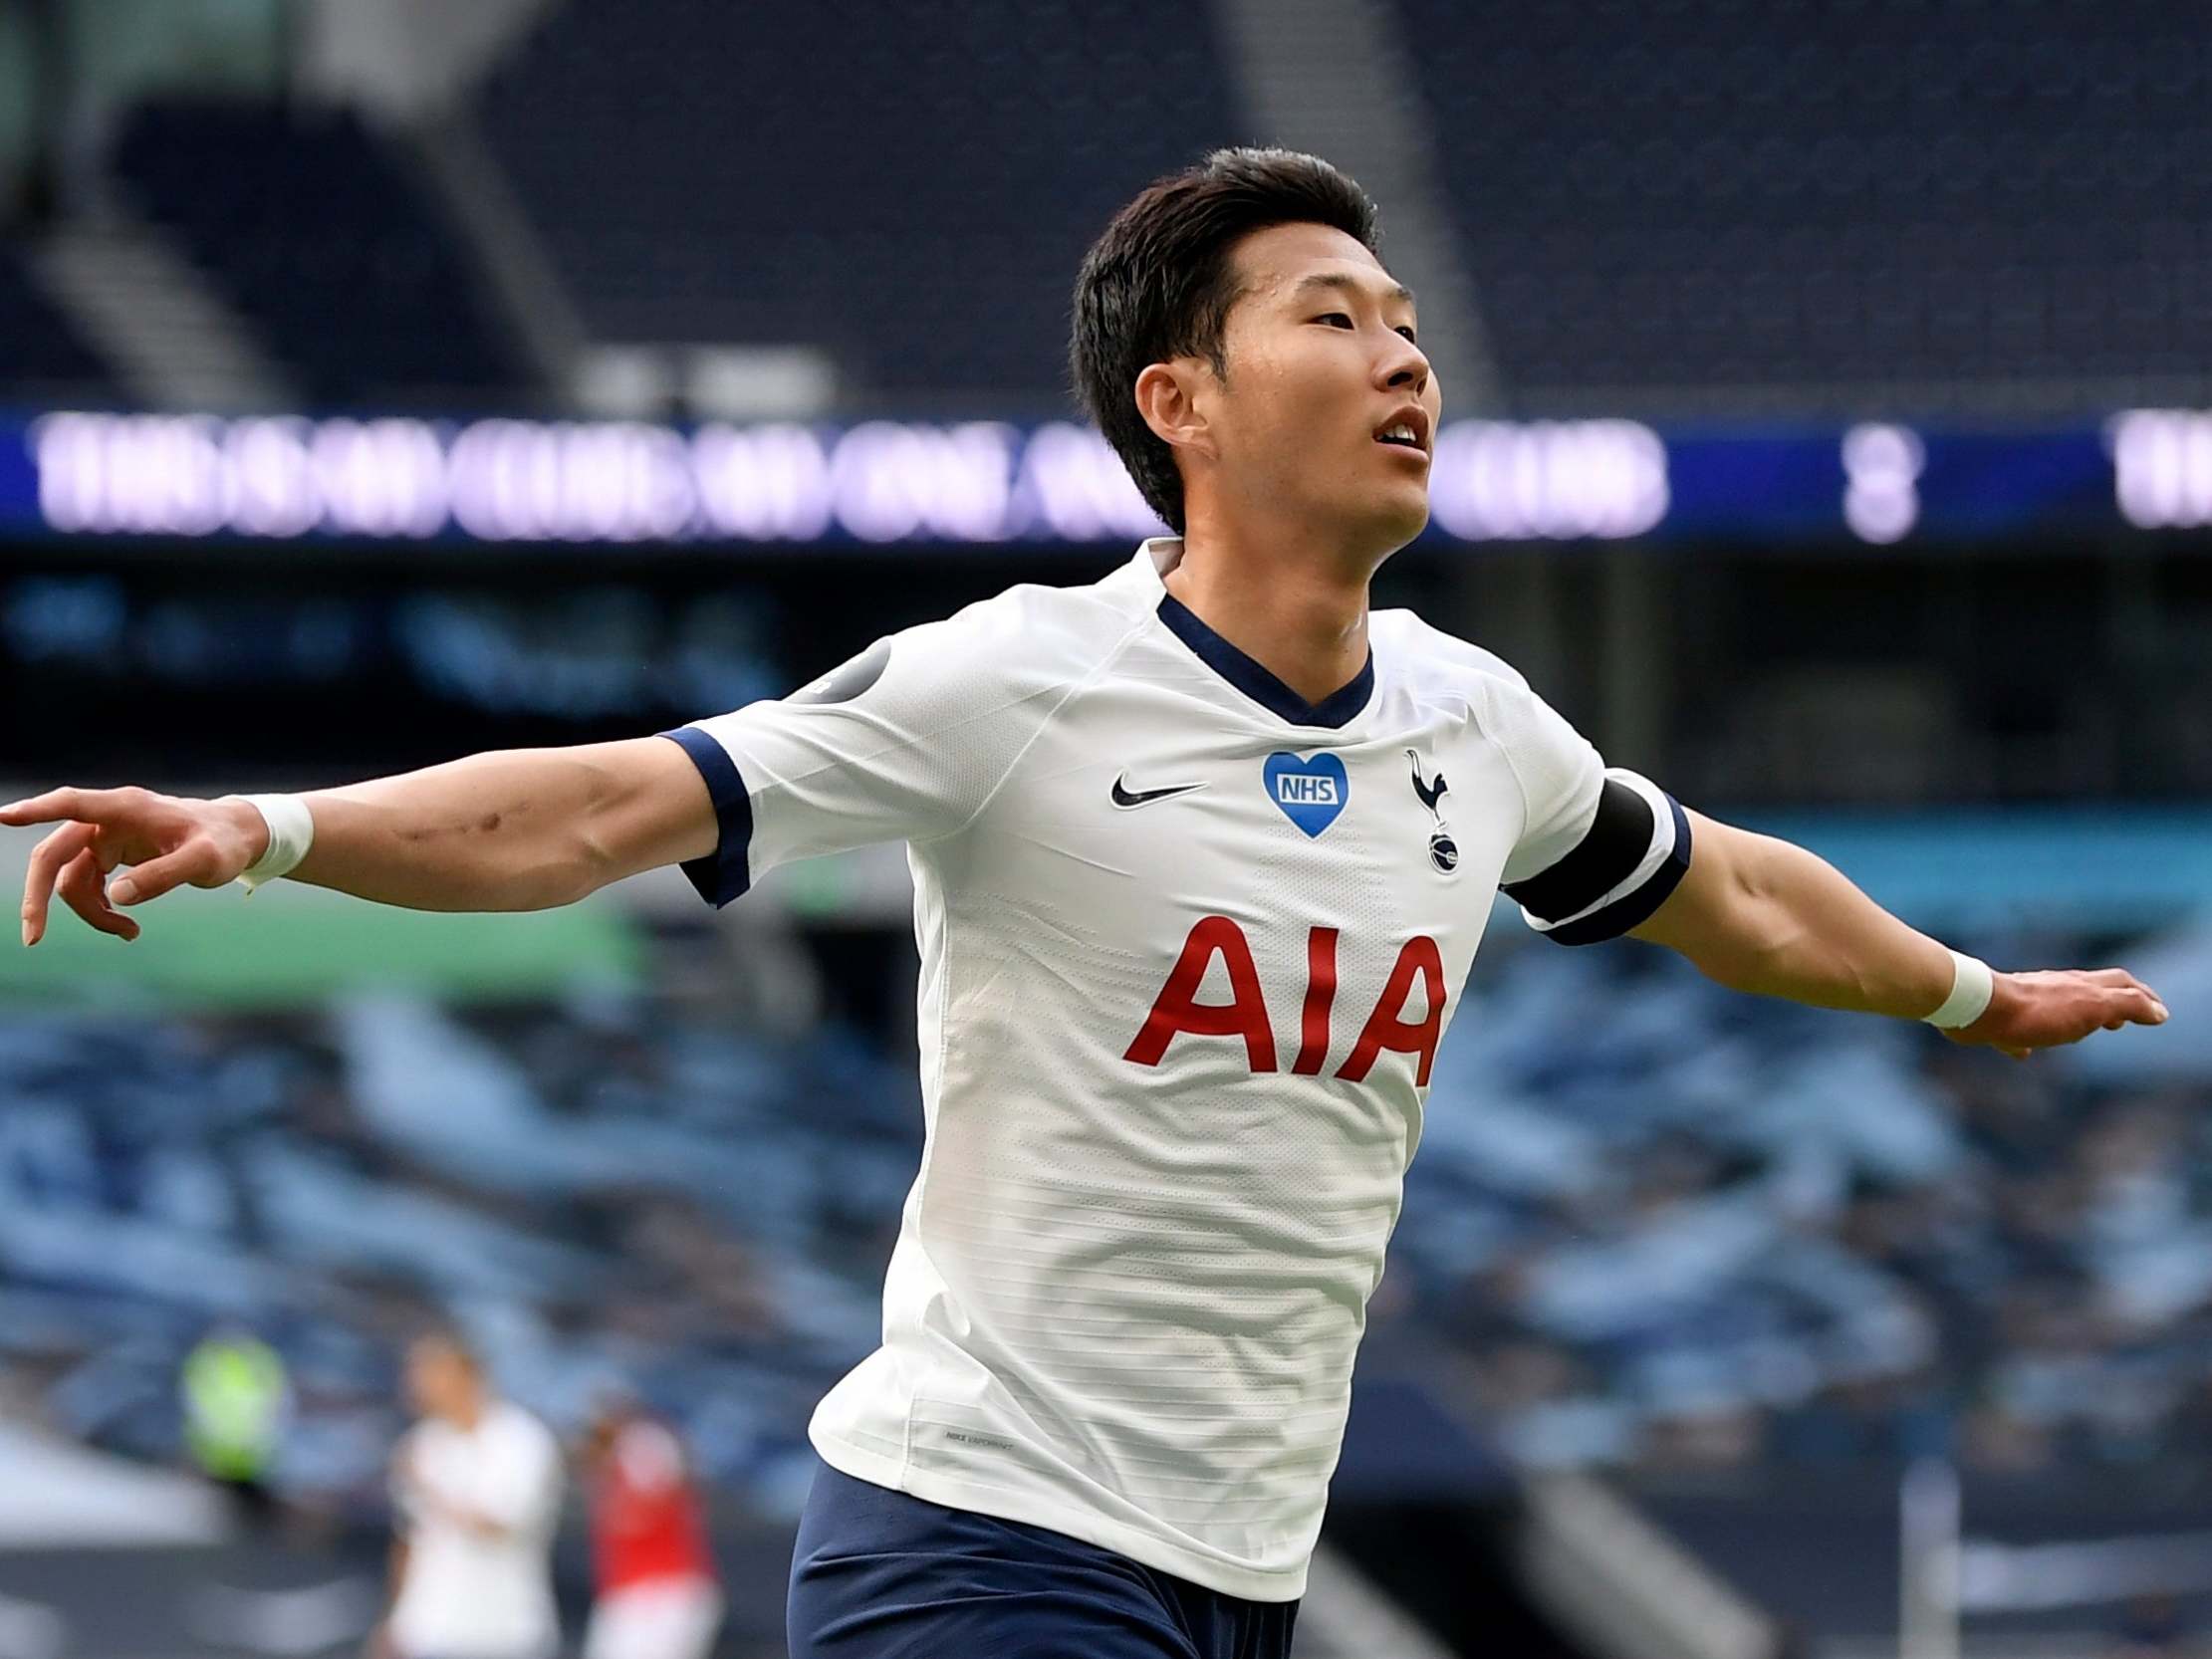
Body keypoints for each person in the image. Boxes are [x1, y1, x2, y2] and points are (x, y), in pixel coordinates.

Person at [3, 149, 2167, 1659]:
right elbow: (599, 806)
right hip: (978, 1536)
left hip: (1233, 1559)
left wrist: (1969, 995)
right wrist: (273, 828)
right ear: (1182, 403)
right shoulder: (1012, 681)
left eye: (1412, 320)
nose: (1409, 357)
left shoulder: (1473, 720)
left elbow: (1729, 893)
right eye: (1336, 317)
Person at [369, 1333, 562, 1659]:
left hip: (502, 1634)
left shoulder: (522, 1441)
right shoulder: (422, 1444)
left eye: (432, 1372)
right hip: (429, 1631)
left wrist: (431, 1489)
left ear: (468, 1374)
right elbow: (410, 1539)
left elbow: (497, 1527)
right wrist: (395, 1620)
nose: (418, 1385)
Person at [579, 1399, 722, 1659]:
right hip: (628, 1594)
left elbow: (657, 1491)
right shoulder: (607, 1468)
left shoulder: (643, 1444)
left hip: (665, 1591)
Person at [179, 1322, 290, 1527]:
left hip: (246, 1441)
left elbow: (277, 1397)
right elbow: (195, 1398)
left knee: (242, 1490)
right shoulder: (209, 1359)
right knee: (221, 1493)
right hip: (224, 1440)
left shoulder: (259, 1359)